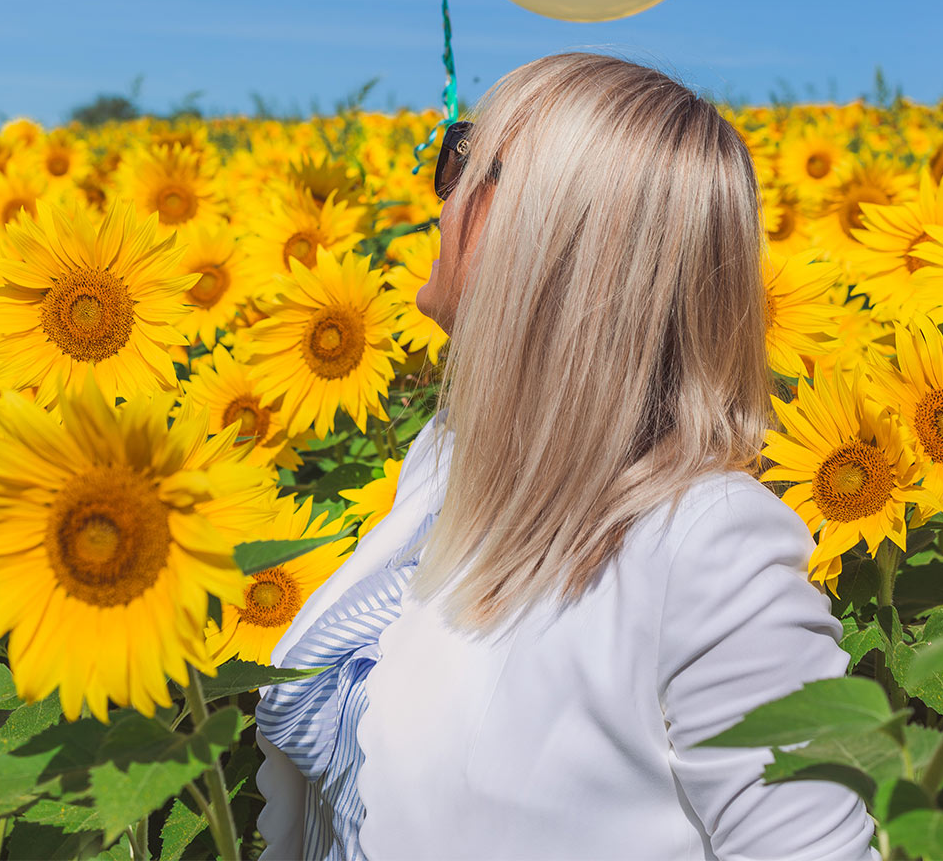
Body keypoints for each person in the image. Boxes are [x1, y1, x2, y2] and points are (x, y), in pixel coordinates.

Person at [254, 52, 877, 860]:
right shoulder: (448, 459)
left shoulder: (706, 550)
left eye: (460, 161)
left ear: (545, 228)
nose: (437, 200)